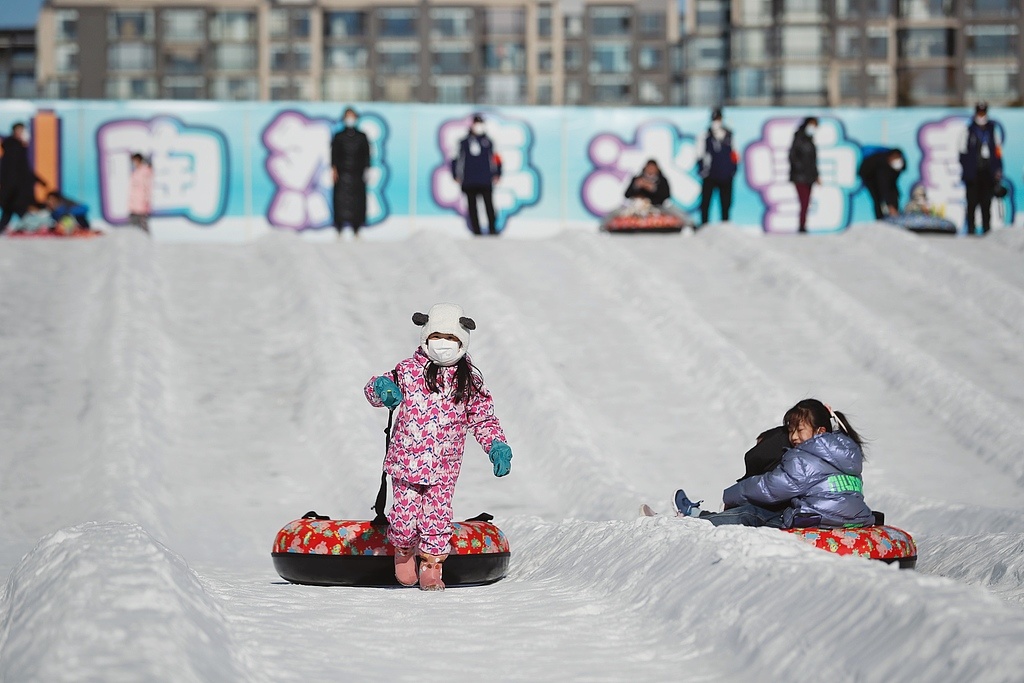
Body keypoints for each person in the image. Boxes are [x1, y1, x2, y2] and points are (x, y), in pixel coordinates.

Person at [364, 303, 512, 591]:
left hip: (444, 466)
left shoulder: (469, 380)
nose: (443, 345)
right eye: (437, 337)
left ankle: (432, 565)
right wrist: (381, 388)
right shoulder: (407, 371)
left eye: (451, 339)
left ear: (462, 342)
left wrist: (496, 444)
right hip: (406, 463)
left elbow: (482, 417)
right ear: (425, 338)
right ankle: (404, 549)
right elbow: (373, 391)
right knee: (404, 518)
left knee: (437, 518)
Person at [673, 399, 874, 529]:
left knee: (752, 513)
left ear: (820, 431)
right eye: (791, 431)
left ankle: (697, 523)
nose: (794, 437)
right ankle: (700, 514)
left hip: (817, 520)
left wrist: (731, 495)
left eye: (799, 430)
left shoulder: (804, 457)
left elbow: (771, 487)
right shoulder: (849, 451)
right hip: (856, 519)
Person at [452, 114, 502, 235]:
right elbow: (456, 159)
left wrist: (498, 173)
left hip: (485, 179)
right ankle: (476, 231)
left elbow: (496, 159)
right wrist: (456, 174)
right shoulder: (463, 142)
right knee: (472, 207)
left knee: (489, 206)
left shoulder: (489, 142)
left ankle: (492, 229)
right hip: (469, 180)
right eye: (476, 124)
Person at [959, 102, 1002, 236]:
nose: (981, 116)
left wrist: (997, 170)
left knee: (986, 203)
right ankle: (971, 230)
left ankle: (986, 230)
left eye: (983, 113)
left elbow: (998, 152)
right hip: (973, 173)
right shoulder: (968, 130)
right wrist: (967, 170)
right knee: (971, 203)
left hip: (987, 173)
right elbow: (961, 152)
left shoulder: (992, 130)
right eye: (979, 113)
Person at [330, 107, 371, 239]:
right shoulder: (339, 136)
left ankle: (357, 228)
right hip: (342, 174)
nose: (350, 119)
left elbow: (366, 155)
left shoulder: (362, 136)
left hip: (358, 174)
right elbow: (334, 155)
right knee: (340, 201)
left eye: (352, 116)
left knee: (358, 202)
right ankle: (339, 228)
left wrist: (367, 170)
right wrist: (334, 170)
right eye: (348, 116)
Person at [0, 122, 47, 233]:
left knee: (9, 212)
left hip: (13, 190)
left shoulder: (16, 147)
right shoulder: (15, 148)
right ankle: (33, 228)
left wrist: (38, 180)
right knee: (18, 210)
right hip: (14, 189)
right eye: (21, 130)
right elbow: (17, 171)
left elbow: (24, 170)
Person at [695, 108, 738, 228]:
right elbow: (699, 154)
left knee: (726, 203)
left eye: (718, 119)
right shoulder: (705, 135)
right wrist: (702, 170)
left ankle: (726, 225)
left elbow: (734, 154)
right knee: (706, 202)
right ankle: (704, 225)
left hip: (725, 174)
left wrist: (733, 169)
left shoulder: (729, 135)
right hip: (710, 175)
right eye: (715, 119)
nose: (716, 121)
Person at [788, 117, 819, 233]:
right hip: (799, 177)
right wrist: (799, 169)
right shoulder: (798, 138)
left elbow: (813, 161)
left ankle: (803, 225)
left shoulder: (811, 140)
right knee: (804, 201)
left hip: (810, 177)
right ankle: (801, 226)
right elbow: (792, 156)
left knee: (807, 203)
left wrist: (816, 175)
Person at [858, 148, 906, 220]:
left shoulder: (899, 165)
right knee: (877, 197)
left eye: (898, 157)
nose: (897, 160)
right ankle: (880, 218)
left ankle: (895, 213)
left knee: (894, 192)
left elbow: (892, 186)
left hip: (885, 177)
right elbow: (884, 187)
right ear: (890, 158)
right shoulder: (882, 167)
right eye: (895, 158)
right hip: (870, 176)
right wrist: (890, 206)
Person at [128, 153, 153, 233]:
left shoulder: (145, 172)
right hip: (134, 204)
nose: (133, 163)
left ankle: (147, 243)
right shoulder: (135, 172)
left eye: (134, 161)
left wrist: (146, 200)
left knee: (143, 225)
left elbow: (147, 187)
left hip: (142, 204)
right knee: (133, 226)